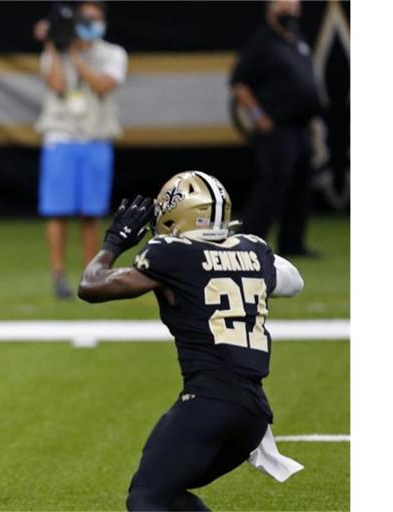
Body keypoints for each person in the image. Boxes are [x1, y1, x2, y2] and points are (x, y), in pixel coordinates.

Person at [78, 171, 304, 510]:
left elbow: (91, 286)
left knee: (146, 497)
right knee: (169, 494)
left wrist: (114, 242)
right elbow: (292, 280)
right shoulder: (255, 251)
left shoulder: (171, 253)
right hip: (253, 414)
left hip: (208, 403)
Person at [34, 1, 127, 298]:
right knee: (57, 211)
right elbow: (58, 85)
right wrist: (53, 44)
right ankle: (58, 275)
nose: (91, 24)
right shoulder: (54, 53)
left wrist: (75, 53)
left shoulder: (113, 54)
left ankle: (91, 272)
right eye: (85, 19)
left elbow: (102, 85)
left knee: (91, 212)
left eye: (96, 19)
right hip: (60, 137)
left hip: (95, 138)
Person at [230, 0, 322, 257]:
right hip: (276, 128)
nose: (291, 13)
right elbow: (239, 83)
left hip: (301, 127)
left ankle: (292, 244)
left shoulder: (297, 41)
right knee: (273, 184)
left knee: (300, 186)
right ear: (271, 11)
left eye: (295, 7)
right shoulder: (262, 43)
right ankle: (249, 241)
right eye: (285, 8)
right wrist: (258, 116)